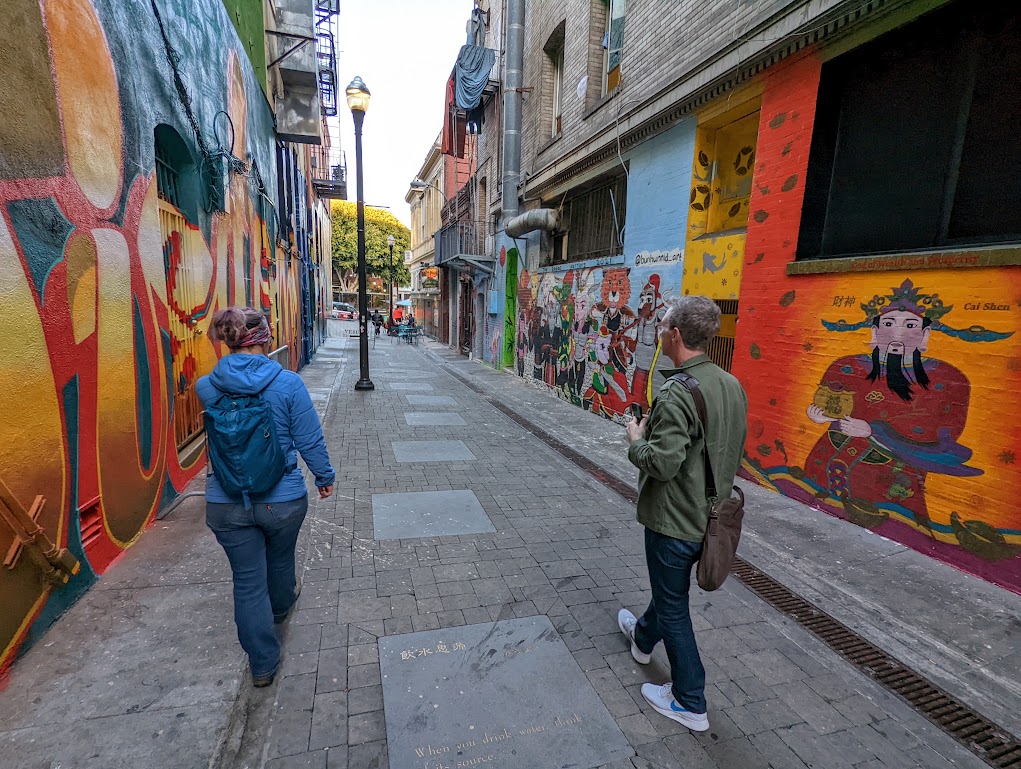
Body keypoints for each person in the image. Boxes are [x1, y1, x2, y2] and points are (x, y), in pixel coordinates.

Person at [617, 296, 748, 732]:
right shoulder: (730, 384)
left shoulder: (676, 392)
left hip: (676, 519)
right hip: (712, 517)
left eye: (662, 326)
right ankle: (641, 637)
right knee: (668, 593)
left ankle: (689, 700)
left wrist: (636, 438)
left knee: (674, 608)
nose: (658, 331)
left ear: (674, 335)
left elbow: (664, 462)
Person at [197, 307, 335, 688]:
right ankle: (280, 608)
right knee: (279, 558)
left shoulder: (206, 386)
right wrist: (324, 476)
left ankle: (262, 663)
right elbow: (309, 437)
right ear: (264, 339)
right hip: (283, 498)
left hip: (226, 501)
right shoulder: (288, 383)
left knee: (246, 580)